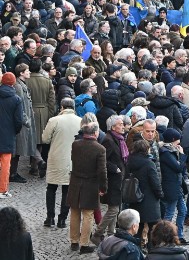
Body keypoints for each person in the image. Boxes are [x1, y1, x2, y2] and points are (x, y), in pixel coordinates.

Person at [66, 119, 107, 254]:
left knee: (75, 212)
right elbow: (102, 171)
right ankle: (84, 244)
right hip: (91, 184)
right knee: (88, 214)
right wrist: (103, 187)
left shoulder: (75, 145)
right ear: (95, 133)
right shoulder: (100, 149)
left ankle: (74, 241)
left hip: (76, 182)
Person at [41, 97, 81, 228]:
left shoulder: (54, 120)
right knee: (67, 190)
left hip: (56, 158)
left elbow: (45, 139)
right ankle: (62, 219)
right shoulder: (80, 121)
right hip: (73, 159)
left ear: (62, 107)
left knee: (51, 188)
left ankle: (50, 217)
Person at [95, 114, 128, 245]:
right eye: (120, 124)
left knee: (116, 207)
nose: (123, 126)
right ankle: (98, 233)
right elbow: (103, 160)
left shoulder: (119, 139)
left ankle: (111, 234)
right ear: (113, 127)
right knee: (114, 209)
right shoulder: (108, 140)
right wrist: (115, 168)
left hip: (119, 179)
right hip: (113, 179)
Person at [127, 139, 164, 247]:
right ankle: (152, 253)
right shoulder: (149, 163)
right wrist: (160, 194)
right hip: (150, 200)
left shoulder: (130, 162)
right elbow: (155, 183)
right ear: (146, 150)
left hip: (134, 198)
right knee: (153, 229)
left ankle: (136, 252)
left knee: (137, 228)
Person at [158, 128, 188, 246]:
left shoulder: (169, 151)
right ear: (173, 140)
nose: (179, 144)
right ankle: (166, 238)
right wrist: (182, 155)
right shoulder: (166, 153)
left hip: (177, 187)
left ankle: (179, 235)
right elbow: (178, 168)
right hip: (171, 188)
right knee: (169, 214)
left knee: (183, 210)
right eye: (178, 141)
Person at [0, 72, 23, 199]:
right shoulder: (16, 99)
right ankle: (2, 189)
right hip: (8, 133)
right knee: (5, 164)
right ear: (13, 83)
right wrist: (15, 131)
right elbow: (18, 120)